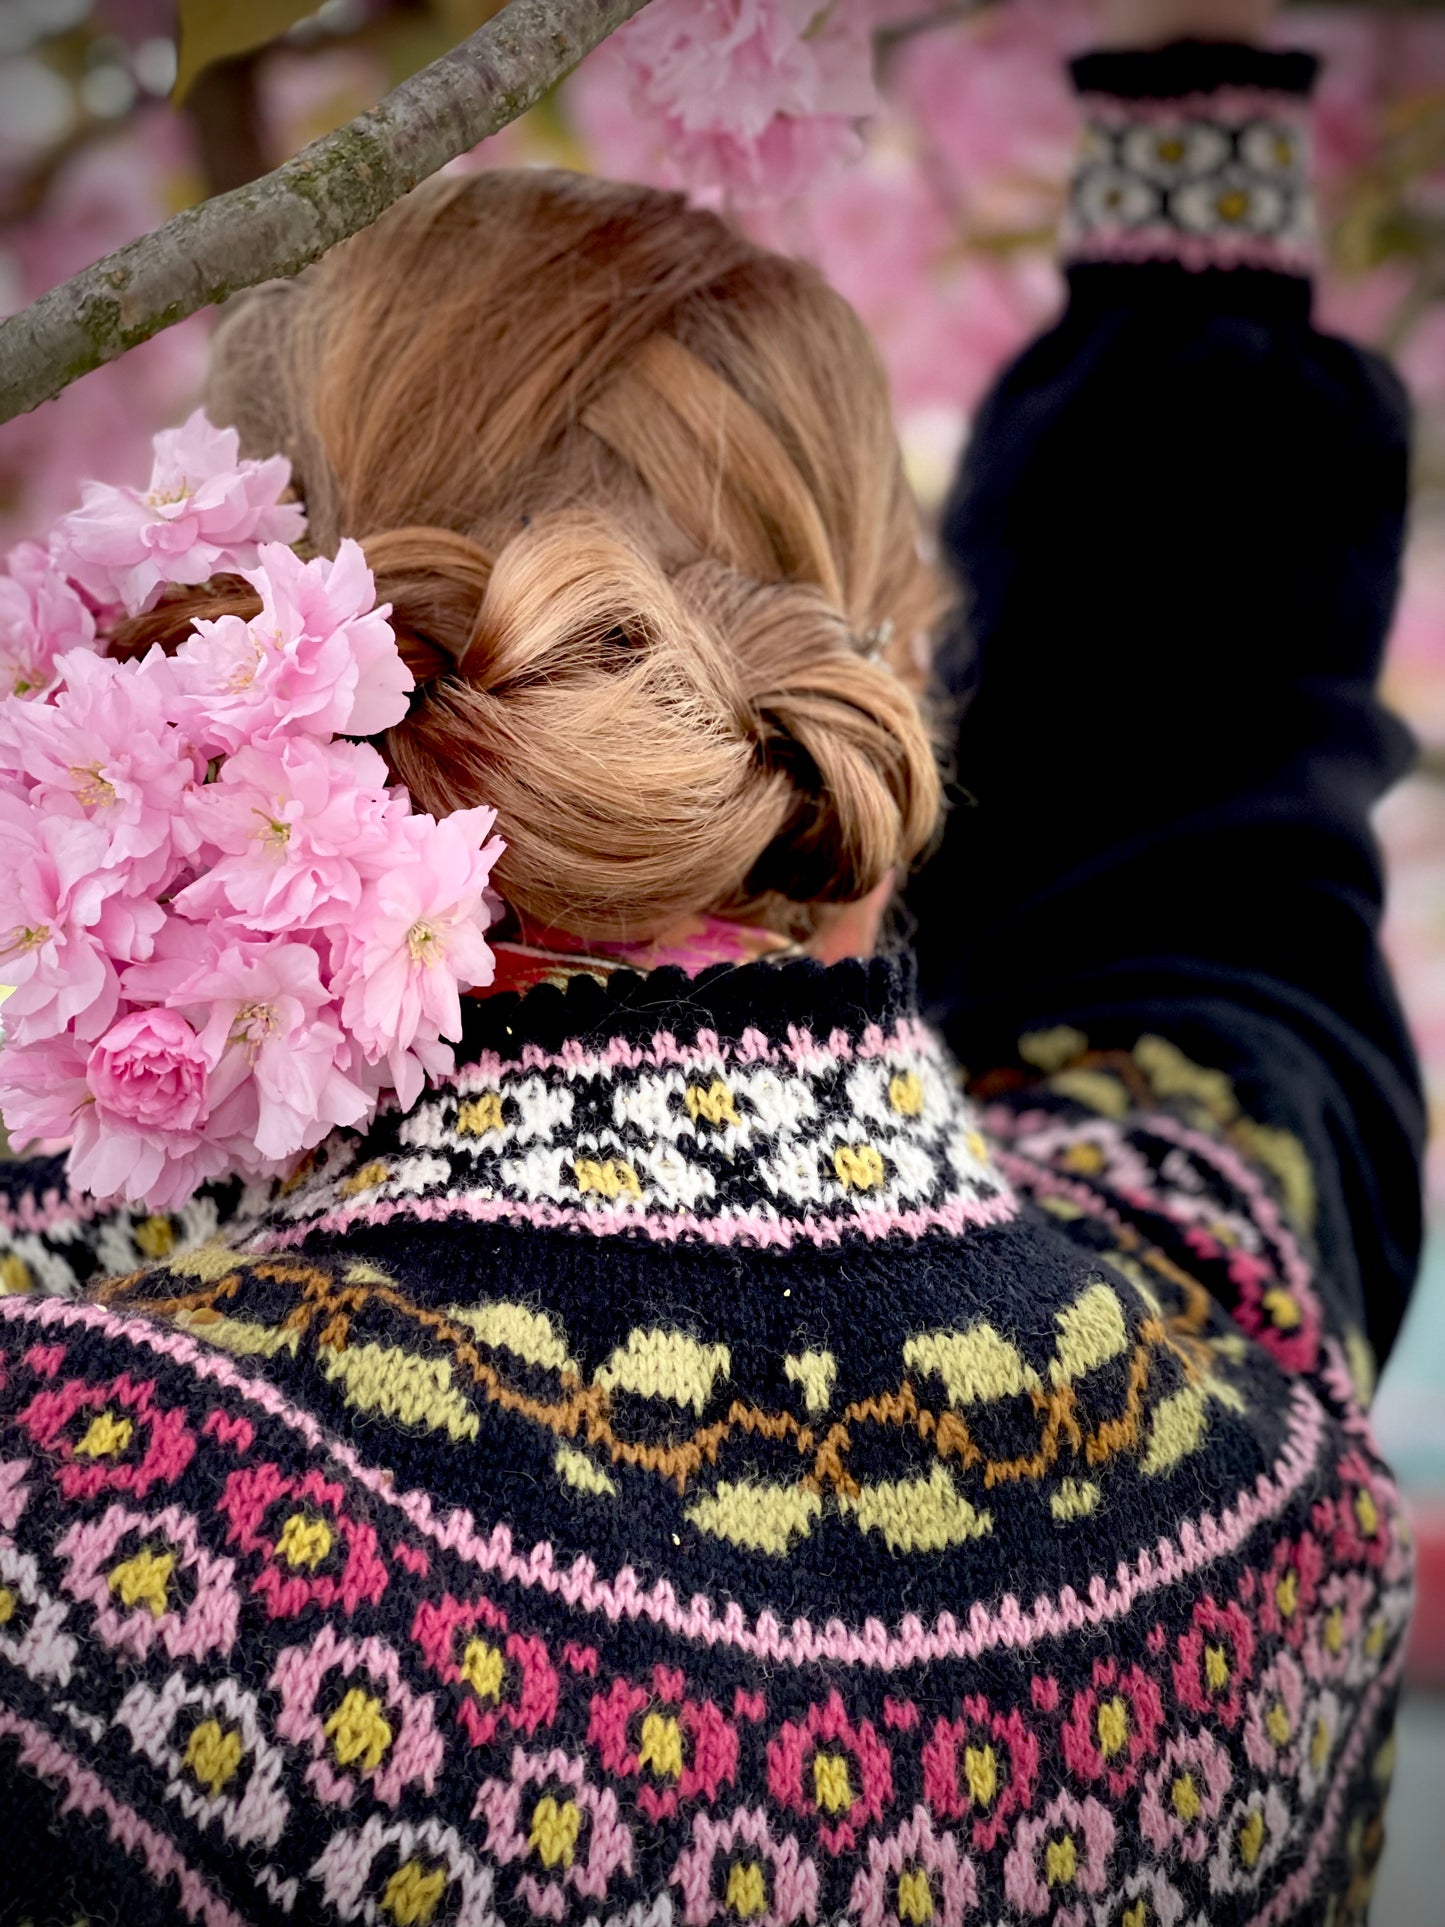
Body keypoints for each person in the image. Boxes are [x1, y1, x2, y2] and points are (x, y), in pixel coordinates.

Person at [0, 0, 1422, 1920]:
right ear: (884, 677)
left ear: (210, 677)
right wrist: (1198, 154)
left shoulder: (79, 1509)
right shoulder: (1254, 1451)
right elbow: (1206, 863)